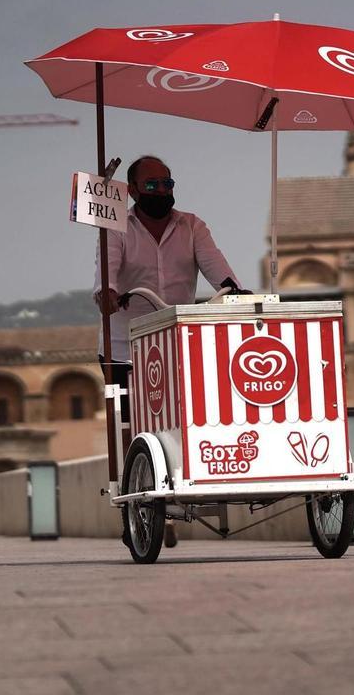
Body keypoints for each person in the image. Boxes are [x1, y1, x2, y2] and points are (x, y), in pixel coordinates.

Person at [93, 155, 249, 549]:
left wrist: (234, 287)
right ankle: (134, 505)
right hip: (123, 344)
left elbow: (217, 268)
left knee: (183, 420)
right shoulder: (116, 229)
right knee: (128, 425)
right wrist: (108, 293)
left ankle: (170, 491)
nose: (162, 192)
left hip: (174, 342)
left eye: (167, 183)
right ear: (132, 191)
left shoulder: (192, 226)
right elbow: (105, 272)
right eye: (152, 186)